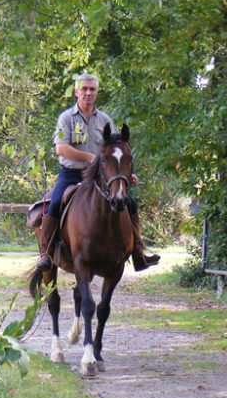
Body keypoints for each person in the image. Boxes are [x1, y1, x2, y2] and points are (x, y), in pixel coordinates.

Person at [36, 73, 160, 272]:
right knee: (56, 202)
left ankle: (137, 252)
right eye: (84, 89)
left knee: (130, 203)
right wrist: (88, 157)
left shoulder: (105, 121)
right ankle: (46, 254)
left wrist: (124, 175)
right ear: (77, 92)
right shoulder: (65, 118)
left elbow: (114, 152)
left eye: (92, 89)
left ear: (97, 93)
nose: (88, 93)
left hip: (100, 177)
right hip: (71, 174)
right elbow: (60, 148)